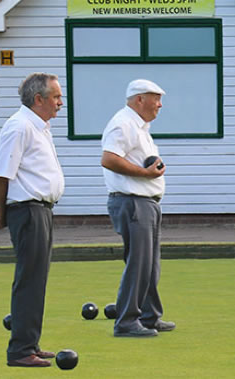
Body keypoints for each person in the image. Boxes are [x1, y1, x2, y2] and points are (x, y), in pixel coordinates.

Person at [0, 72, 65, 366]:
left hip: (39, 209)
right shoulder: (19, 127)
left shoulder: (38, 127)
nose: (60, 102)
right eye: (56, 96)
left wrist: (3, 209)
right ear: (39, 99)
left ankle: (30, 342)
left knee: (36, 279)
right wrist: (3, 213)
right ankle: (20, 350)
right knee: (29, 279)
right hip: (28, 211)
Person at [101, 79, 175, 337]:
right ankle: (126, 322)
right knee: (139, 263)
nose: (160, 104)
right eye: (156, 98)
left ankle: (149, 316)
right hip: (132, 202)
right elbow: (109, 159)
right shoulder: (123, 124)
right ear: (139, 99)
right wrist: (144, 173)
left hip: (147, 202)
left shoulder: (141, 127)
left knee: (150, 264)